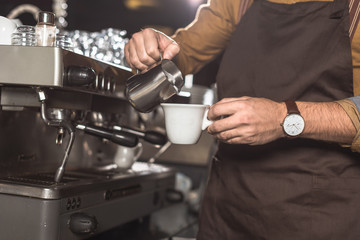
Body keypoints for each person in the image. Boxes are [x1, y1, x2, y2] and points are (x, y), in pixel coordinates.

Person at [125, 0, 360, 239]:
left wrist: (283, 117)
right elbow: (184, 52)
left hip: (319, 211)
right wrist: (154, 51)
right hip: (228, 208)